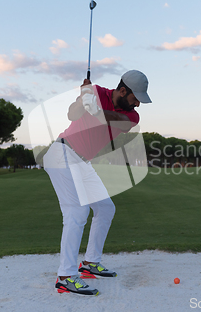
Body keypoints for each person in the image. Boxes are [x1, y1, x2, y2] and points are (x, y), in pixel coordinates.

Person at [43, 70, 151, 296]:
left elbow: (115, 120)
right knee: (77, 211)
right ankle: (65, 276)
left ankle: (90, 263)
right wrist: (83, 100)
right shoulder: (95, 92)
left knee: (105, 208)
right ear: (123, 91)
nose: (137, 105)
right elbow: (72, 115)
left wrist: (95, 108)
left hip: (82, 161)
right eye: (135, 99)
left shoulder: (132, 117)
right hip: (62, 152)